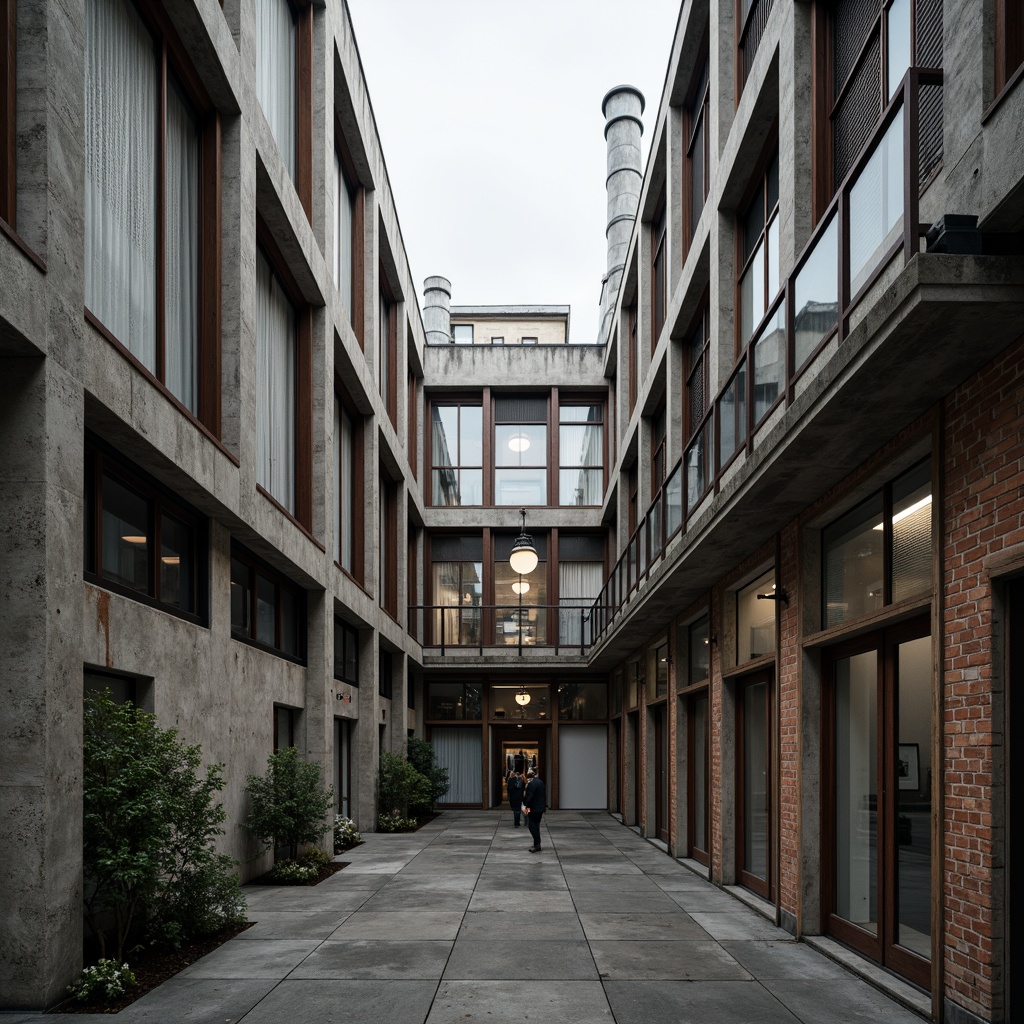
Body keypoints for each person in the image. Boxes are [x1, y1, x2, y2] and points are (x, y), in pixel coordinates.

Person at [522, 768, 546, 852]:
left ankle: (537, 844)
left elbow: (529, 797)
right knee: (536, 825)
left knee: (532, 826)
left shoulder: (531, 784)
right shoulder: (540, 782)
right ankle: (537, 843)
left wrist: (524, 803)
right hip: (540, 808)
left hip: (532, 808)